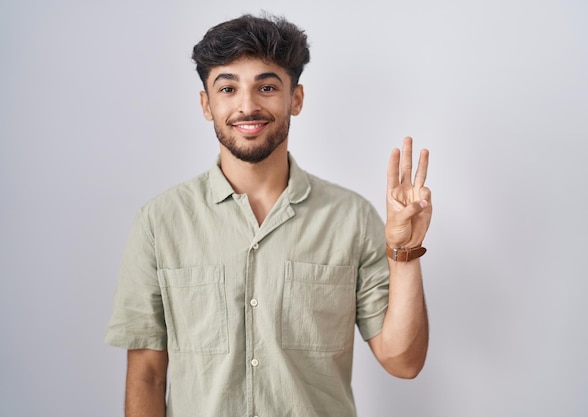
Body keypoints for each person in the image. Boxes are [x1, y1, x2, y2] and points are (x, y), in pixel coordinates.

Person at [105, 13, 432, 417]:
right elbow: (147, 376)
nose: (247, 106)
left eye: (266, 86)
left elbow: (403, 361)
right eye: (228, 88)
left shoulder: (352, 218)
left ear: (295, 98)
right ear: (207, 104)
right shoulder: (159, 222)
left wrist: (406, 251)